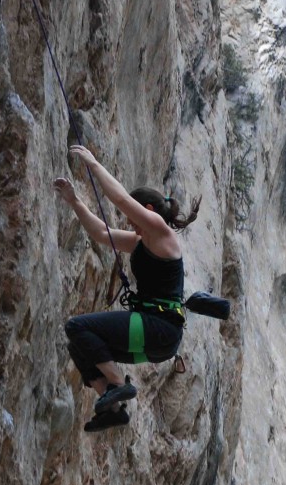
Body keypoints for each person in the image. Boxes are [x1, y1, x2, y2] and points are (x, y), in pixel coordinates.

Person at [54, 145, 201, 432]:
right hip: (154, 341)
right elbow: (100, 233)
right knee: (79, 345)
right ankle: (113, 408)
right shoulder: (141, 242)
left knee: (76, 326)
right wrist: (75, 202)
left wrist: (93, 164)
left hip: (158, 328)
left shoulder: (161, 232)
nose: (129, 224)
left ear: (146, 211)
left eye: (133, 219)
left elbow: (120, 198)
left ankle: (119, 384)